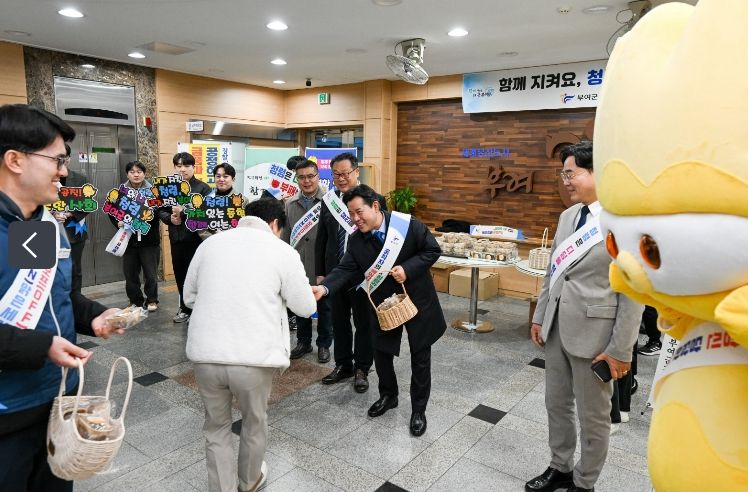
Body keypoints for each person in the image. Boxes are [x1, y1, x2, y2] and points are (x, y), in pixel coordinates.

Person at [0, 104, 123, 492]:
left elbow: (55, 297)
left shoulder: (41, 226)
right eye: (57, 160)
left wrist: (94, 316)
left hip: (58, 401)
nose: (64, 172)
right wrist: (43, 346)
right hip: (7, 412)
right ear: (15, 160)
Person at [527, 141, 643, 492]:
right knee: (556, 404)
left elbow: (633, 292)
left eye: (571, 173)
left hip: (596, 336)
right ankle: (560, 466)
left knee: (593, 416)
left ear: (596, 173)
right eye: (563, 174)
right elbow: (554, 272)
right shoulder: (568, 216)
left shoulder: (622, 222)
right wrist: (540, 316)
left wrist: (621, 349)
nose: (565, 181)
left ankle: (585, 481)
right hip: (557, 329)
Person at [183, 198, 315, 492]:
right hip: (253, 358)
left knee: (216, 427)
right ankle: (250, 481)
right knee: (254, 422)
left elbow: (189, 298)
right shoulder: (282, 251)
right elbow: (305, 307)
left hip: (206, 354)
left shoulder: (210, 244)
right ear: (275, 224)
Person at [313, 184, 446, 437]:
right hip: (383, 304)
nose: (355, 219)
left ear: (375, 206)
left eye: (359, 212)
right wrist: (325, 287)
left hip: (417, 300)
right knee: (382, 352)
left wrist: (407, 268)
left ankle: (418, 410)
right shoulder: (357, 239)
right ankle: (388, 395)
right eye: (351, 214)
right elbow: (345, 269)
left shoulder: (407, 226)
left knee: (420, 354)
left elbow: (432, 250)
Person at [315, 152, 387, 393]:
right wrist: (321, 273)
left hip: (364, 276)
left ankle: (362, 369)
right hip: (336, 274)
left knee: (364, 323)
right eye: (336, 174)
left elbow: (383, 239)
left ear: (357, 171)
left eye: (346, 173)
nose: (341, 178)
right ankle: (343, 364)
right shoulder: (328, 201)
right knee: (338, 321)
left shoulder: (374, 199)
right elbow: (322, 239)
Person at [282, 159, 332, 363]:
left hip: (323, 264)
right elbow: (286, 236)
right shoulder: (289, 204)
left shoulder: (330, 202)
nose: (307, 181)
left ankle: (324, 344)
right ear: (296, 179)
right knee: (300, 304)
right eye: (301, 177)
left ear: (318, 176)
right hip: (299, 264)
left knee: (325, 308)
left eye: (311, 176)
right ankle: (303, 342)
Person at [157, 152, 211, 324]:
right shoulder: (168, 188)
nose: (182, 169)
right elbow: (160, 209)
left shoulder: (203, 188)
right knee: (180, 275)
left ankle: (200, 309)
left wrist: (184, 212)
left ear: (194, 167)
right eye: (179, 166)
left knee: (198, 277)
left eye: (187, 166)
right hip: (176, 239)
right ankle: (185, 308)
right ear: (174, 167)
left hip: (197, 240)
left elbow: (206, 213)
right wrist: (169, 218)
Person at [108, 160, 160, 311]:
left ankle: (152, 300)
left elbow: (158, 212)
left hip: (149, 239)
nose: (136, 175)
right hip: (128, 239)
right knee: (130, 274)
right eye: (132, 172)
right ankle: (135, 300)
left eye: (139, 172)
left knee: (151, 273)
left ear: (144, 174)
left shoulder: (153, 192)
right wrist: (117, 222)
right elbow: (111, 211)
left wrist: (143, 219)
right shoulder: (120, 192)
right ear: (127, 174)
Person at [51, 143, 91, 296]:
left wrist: (68, 214)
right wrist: (53, 213)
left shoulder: (80, 179)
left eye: (64, 158)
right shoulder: (43, 179)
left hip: (74, 232)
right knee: (51, 270)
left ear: (68, 159)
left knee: (74, 269)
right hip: (48, 232)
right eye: (57, 158)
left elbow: (88, 205)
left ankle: (75, 299)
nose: (61, 161)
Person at [197, 163, 249, 241]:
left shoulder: (243, 200)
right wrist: (213, 239)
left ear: (233, 179)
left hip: (234, 242)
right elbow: (201, 226)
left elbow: (246, 225)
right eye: (218, 176)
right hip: (211, 243)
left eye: (225, 176)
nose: (221, 179)